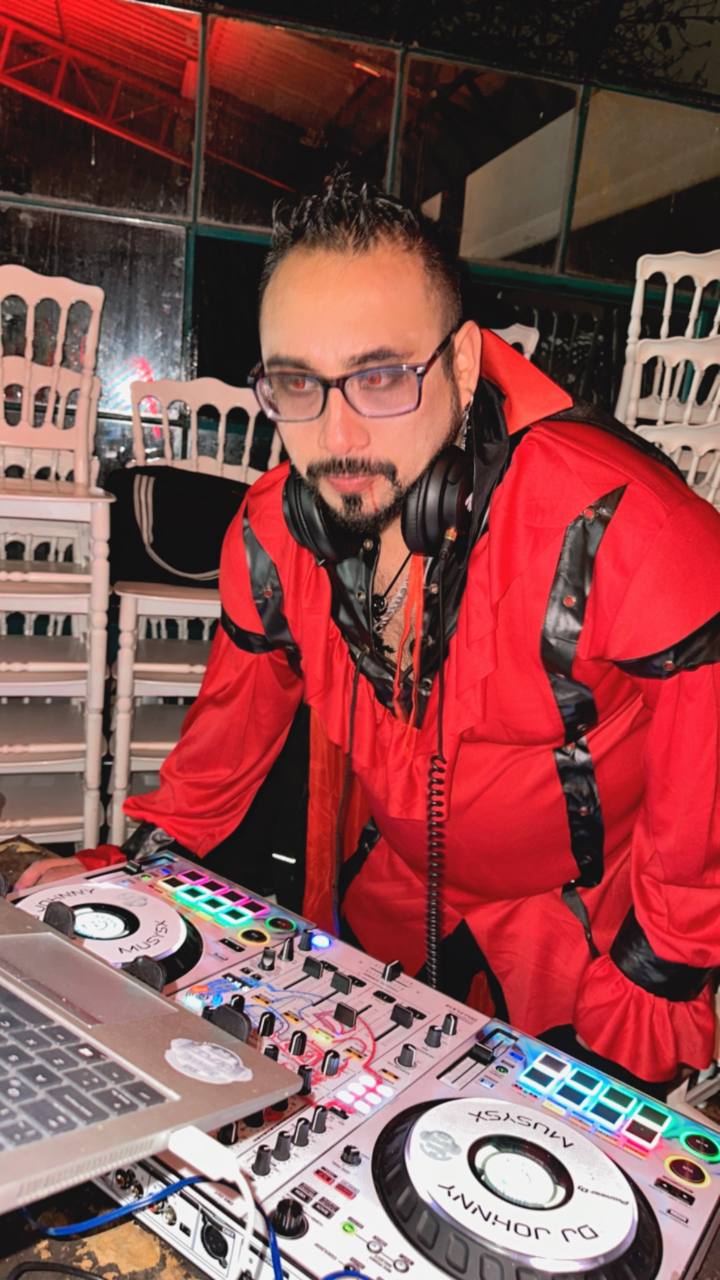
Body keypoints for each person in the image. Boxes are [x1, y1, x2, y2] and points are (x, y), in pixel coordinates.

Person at [19, 173, 720, 1093]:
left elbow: (701, 814)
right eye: (297, 383)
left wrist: (654, 980)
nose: (338, 435)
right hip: (389, 899)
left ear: (462, 366)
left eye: (381, 376)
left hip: (580, 931)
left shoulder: (631, 531)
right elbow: (218, 760)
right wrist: (122, 875)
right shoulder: (274, 534)